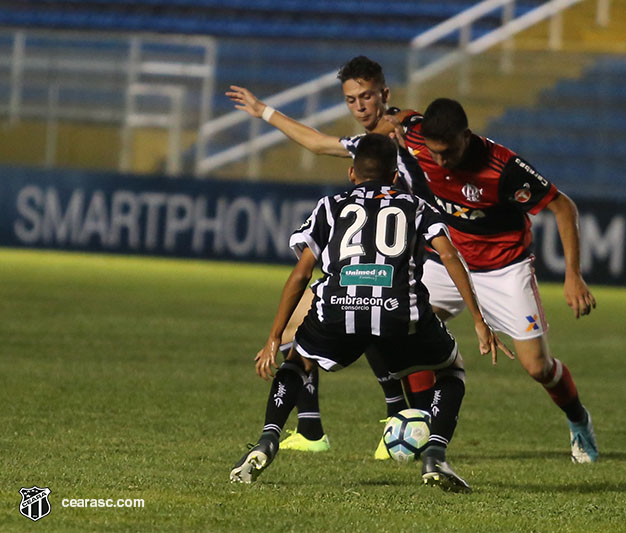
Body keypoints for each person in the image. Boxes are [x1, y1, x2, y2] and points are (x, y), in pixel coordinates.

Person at [229, 135, 511, 492]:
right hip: (399, 314)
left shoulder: (331, 206)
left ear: (351, 172)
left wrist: (273, 337)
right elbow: (451, 258)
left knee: (297, 361)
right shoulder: (416, 206)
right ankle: (435, 454)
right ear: (395, 176)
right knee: (451, 368)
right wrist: (479, 321)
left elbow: (301, 274)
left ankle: (268, 439)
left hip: (337, 310)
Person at [227, 56, 436, 457]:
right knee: (303, 331)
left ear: (384, 94)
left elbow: (443, 133)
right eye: (351, 99)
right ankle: (313, 430)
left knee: (400, 339)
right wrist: (263, 110)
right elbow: (316, 142)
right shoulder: (365, 146)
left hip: (423, 259)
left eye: (367, 97)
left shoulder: (410, 131)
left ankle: (409, 421)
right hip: (380, 263)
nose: (359, 106)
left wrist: (410, 122)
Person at [389, 98, 599, 463]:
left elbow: (563, 207)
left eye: (449, 152)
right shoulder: (416, 137)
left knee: (538, 367)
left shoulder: (503, 168)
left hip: (504, 268)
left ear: (466, 137)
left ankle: (578, 420)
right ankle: (424, 422)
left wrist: (573, 276)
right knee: (407, 327)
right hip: (447, 259)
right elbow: (399, 118)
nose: (441, 162)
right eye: (435, 154)